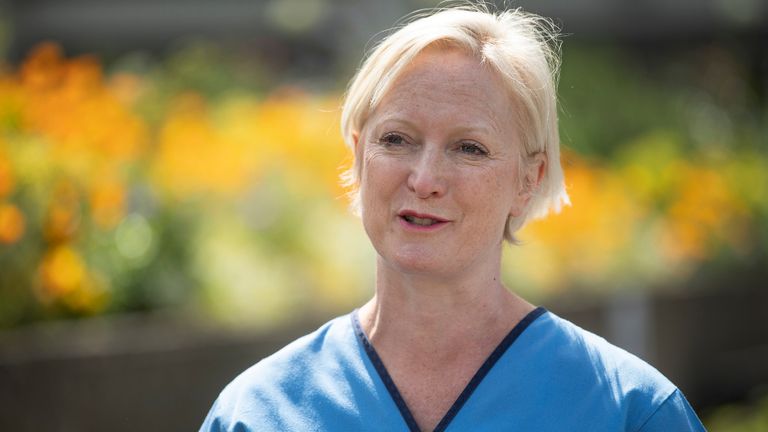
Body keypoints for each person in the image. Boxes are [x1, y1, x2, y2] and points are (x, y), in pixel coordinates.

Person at [200, 4, 706, 431]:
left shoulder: (628, 412)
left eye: (469, 148)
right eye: (396, 139)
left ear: (528, 180)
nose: (424, 179)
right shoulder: (257, 413)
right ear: (358, 155)